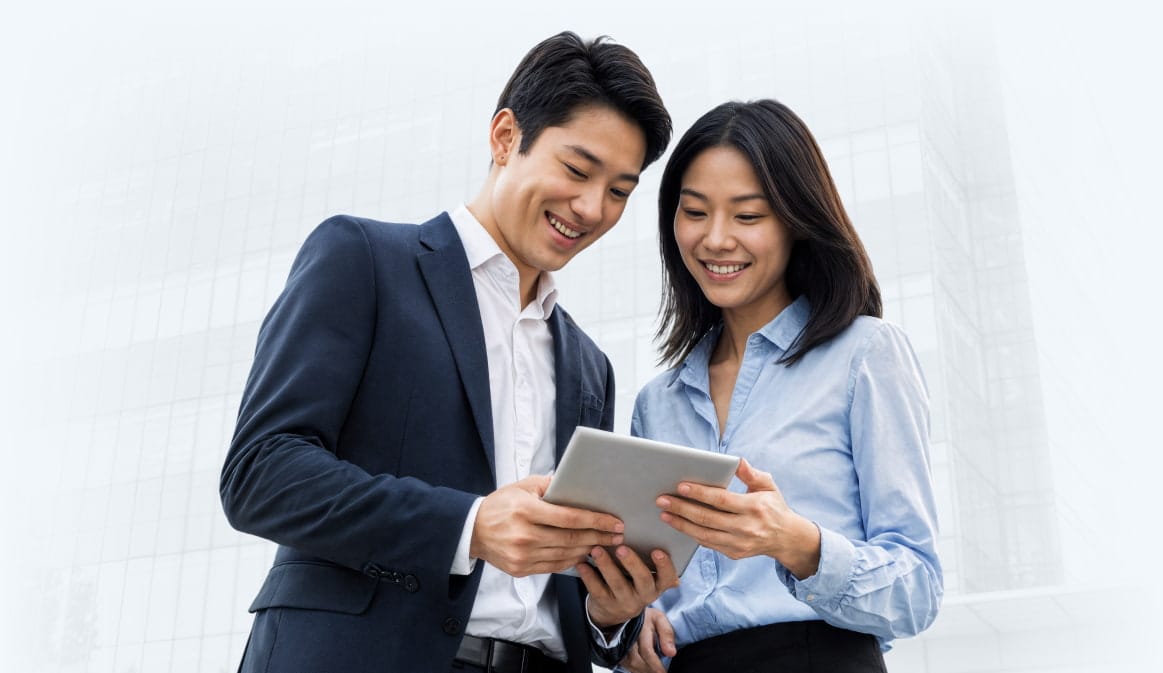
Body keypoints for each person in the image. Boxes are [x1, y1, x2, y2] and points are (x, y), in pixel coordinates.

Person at [219, 31, 677, 673]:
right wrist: (469, 526)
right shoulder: (365, 261)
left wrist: (611, 614)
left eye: (620, 191)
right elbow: (260, 473)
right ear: (505, 136)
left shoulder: (590, 365)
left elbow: (560, 584)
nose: (591, 208)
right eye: (577, 170)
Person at [618, 100, 943, 673]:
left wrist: (796, 542)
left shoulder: (865, 355)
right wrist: (629, 626)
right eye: (695, 212)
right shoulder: (657, 404)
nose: (716, 239)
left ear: (797, 220)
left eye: (748, 216)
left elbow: (917, 589)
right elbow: (651, 595)